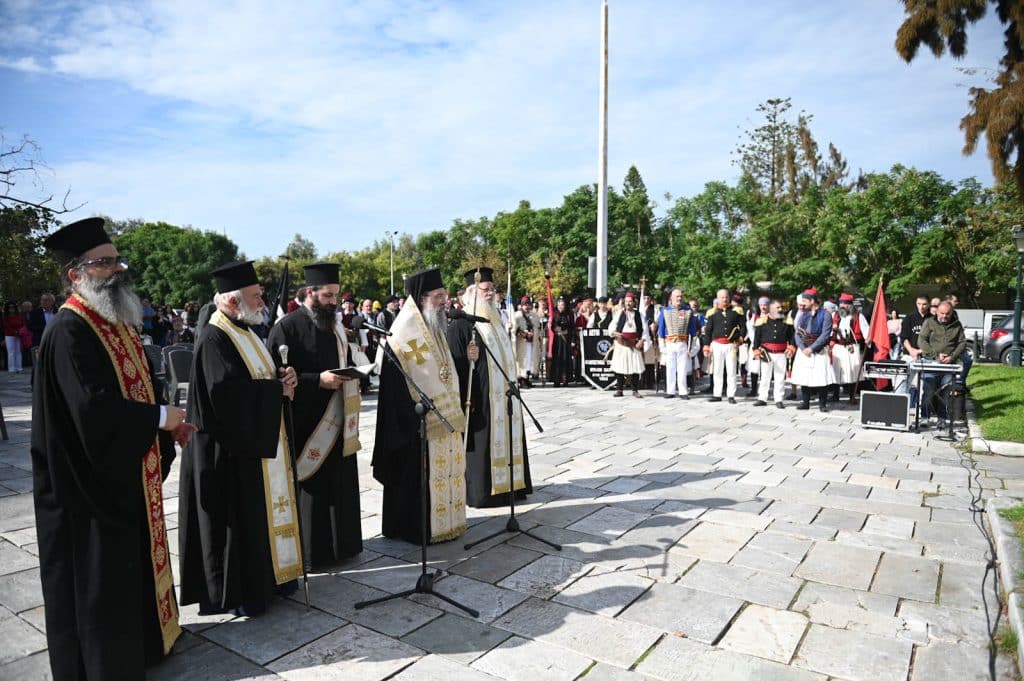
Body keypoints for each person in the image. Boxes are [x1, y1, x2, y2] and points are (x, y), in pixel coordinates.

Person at [33, 217, 192, 680]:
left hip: (125, 473)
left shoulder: (115, 323)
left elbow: (140, 392)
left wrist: (166, 428)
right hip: (87, 488)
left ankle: (147, 642)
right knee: (100, 579)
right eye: (104, 263)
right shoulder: (70, 331)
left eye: (116, 259)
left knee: (133, 566)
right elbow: (94, 412)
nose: (116, 270)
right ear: (75, 274)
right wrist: (161, 419)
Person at [178, 261, 302, 617]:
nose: (262, 302)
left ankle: (272, 580)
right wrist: (275, 390)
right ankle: (245, 592)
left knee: (258, 519)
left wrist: (282, 377)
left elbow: (256, 377)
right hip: (229, 453)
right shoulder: (215, 337)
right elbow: (226, 397)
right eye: (255, 296)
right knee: (240, 524)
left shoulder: (245, 330)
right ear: (232, 302)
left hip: (251, 446)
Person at [267, 263, 363, 568]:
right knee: (314, 486)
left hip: (339, 412)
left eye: (335, 295)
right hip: (308, 418)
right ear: (311, 292)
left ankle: (343, 546)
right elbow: (277, 376)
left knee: (339, 481)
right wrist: (316, 380)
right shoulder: (287, 326)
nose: (334, 301)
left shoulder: (335, 325)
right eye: (328, 295)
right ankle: (315, 552)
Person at [371, 268, 470, 543]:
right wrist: (416, 416)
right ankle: (417, 528)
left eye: (444, 296)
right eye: (439, 296)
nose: (444, 301)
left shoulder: (434, 326)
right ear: (422, 297)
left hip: (440, 419)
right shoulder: (403, 335)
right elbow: (395, 390)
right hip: (415, 425)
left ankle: (449, 521)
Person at [448, 267, 532, 507]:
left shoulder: (494, 320)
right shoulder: (461, 325)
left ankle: (511, 487)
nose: (490, 294)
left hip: (504, 397)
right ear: (472, 293)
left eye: (492, 289)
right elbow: (455, 363)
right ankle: (484, 491)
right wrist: (467, 357)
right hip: (480, 399)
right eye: (486, 289)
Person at [918, 301, 966, 422]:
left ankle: (943, 419)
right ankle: (925, 417)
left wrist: (952, 357)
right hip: (931, 362)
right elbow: (922, 341)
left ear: (951, 313)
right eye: (942, 313)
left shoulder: (957, 325)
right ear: (937, 312)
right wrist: (935, 355)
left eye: (947, 314)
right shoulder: (929, 322)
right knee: (929, 390)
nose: (944, 316)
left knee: (946, 392)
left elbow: (962, 343)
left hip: (949, 364)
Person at [791, 289, 836, 411]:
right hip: (804, 350)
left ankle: (822, 404)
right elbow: (798, 333)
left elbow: (825, 334)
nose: (803, 303)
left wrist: (812, 348)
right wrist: (803, 348)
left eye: (805, 301)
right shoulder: (803, 314)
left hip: (819, 350)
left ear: (812, 301)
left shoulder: (825, 314)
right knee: (805, 376)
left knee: (821, 377)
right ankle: (805, 402)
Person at [701, 289, 746, 403]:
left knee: (731, 371)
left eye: (726, 297)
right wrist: (706, 345)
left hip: (731, 345)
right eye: (722, 297)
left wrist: (741, 338)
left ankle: (731, 395)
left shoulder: (736, 312)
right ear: (718, 298)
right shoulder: (713, 313)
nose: (724, 299)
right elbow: (708, 331)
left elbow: (743, 327)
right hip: (717, 345)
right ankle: (717, 394)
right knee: (717, 370)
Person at [751, 300, 795, 408]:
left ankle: (779, 399)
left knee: (780, 377)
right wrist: (756, 350)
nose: (780, 309)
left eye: (780, 307)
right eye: (777, 308)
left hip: (781, 353)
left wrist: (791, 347)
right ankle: (762, 398)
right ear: (770, 310)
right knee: (765, 376)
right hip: (766, 353)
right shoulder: (762, 322)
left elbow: (792, 337)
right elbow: (757, 338)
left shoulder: (787, 322)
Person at [657, 288, 699, 399]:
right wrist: (662, 346)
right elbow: (661, 330)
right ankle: (670, 391)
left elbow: (693, 331)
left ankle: (683, 391)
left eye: (681, 296)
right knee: (670, 368)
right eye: (677, 296)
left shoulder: (687, 311)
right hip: (670, 343)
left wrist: (693, 347)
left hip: (682, 342)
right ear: (671, 297)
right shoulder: (665, 311)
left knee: (682, 368)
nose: (679, 298)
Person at [831, 292, 871, 402]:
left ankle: (852, 396)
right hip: (838, 346)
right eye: (841, 304)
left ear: (850, 305)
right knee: (836, 370)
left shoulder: (858, 316)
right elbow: (830, 332)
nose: (842, 306)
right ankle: (835, 395)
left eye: (845, 304)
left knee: (853, 371)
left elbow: (866, 330)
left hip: (852, 347)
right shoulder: (835, 316)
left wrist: (868, 339)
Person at [609, 292, 649, 398]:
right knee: (620, 367)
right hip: (622, 343)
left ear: (634, 303)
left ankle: (635, 390)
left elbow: (645, 329)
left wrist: (642, 340)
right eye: (626, 302)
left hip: (634, 343)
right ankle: (619, 389)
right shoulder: (619, 314)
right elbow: (612, 326)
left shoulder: (639, 315)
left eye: (630, 301)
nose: (628, 304)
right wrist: (614, 332)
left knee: (635, 368)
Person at [898, 295, 932, 403]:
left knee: (925, 385)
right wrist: (912, 350)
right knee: (902, 382)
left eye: (924, 304)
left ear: (929, 304)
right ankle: (899, 408)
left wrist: (921, 351)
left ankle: (923, 411)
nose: (921, 307)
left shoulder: (933, 320)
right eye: (919, 304)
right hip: (909, 355)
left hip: (926, 356)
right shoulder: (909, 318)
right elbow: (903, 337)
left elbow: (935, 341)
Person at [512, 296, 541, 388]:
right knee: (522, 361)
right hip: (521, 343)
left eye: (529, 305)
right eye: (525, 305)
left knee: (530, 361)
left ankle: (527, 378)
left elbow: (538, 328)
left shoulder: (535, 316)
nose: (527, 307)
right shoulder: (517, 316)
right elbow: (514, 330)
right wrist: (522, 333)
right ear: (521, 306)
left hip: (532, 343)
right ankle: (521, 379)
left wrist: (533, 334)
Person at [549, 296, 575, 386]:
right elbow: (552, 326)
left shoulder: (569, 314)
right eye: (559, 304)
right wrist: (555, 328)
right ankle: (556, 379)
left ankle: (565, 379)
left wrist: (571, 338)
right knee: (557, 358)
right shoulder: (555, 314)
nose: (561, 306)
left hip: (566, 340)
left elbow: (572, 327)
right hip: (557, 340)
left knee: (566, 358)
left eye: (562, 304)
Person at [3, 301, 24, 373]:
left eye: (13, 307)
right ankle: (12, 368)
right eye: (9, 307)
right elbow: (6, 326)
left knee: (18, 352)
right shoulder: (5, 317)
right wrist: (14, 332)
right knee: (11, 352)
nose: (11, 309)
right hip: (9, 335)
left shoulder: (19, 316)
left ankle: (19, 367)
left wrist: (19, 332)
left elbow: (22, 324)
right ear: (7, 308)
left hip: (19, 335)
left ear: (15, 308)